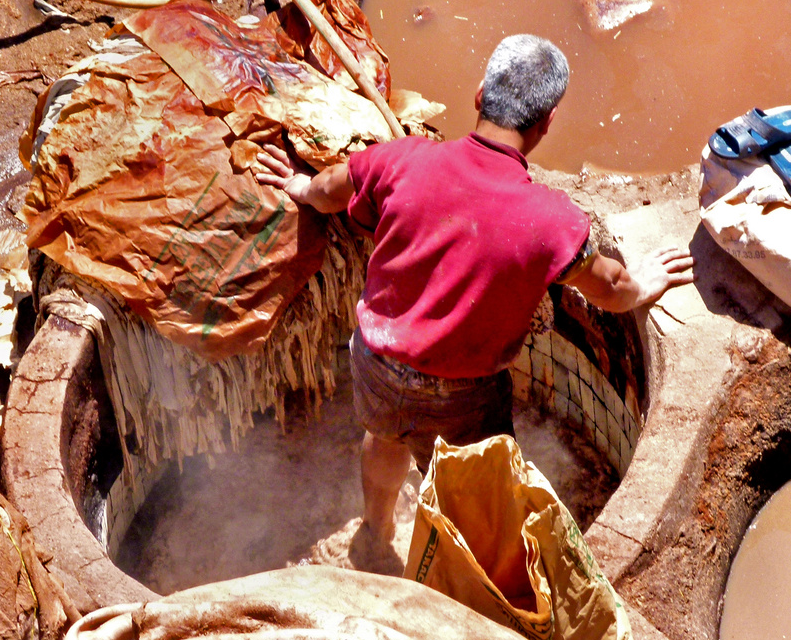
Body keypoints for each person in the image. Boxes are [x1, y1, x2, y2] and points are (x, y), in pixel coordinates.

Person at [254, 34, 694, 555]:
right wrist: (645, 280)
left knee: (386, 437)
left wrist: (299, 188)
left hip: (375, 360)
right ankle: (467, 574)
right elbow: (614, 290)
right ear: (546, 122)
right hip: (460, 395)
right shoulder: (551, 219)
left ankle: (375, 532)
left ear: (480, 96)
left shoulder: (403, 159)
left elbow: (329, 189)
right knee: (480, 492)